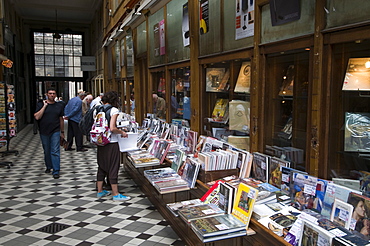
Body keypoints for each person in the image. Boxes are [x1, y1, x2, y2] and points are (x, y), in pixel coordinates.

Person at [95, 91, 131, 201]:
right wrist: (122, 132)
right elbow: (112, 128)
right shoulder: (114, 110)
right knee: (113, 166)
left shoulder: (98, 108)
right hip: (111, 142)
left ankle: (100, 191)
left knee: (102, 166)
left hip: (100, 141)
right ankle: (116, 194)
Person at [34, 88, 64, 179]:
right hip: (44, 131)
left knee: (55, 150)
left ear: (56, 95)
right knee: (47, 150)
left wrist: (62, 132)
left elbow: (61, 119)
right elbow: (37, 117)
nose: (52, 95)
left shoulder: (59, 106)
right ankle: (49, 166)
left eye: (53, 93)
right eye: (50, 93)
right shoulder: (40, 104)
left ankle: (56, 170)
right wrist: (44, 106)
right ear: (47, 94)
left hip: (55, 130)